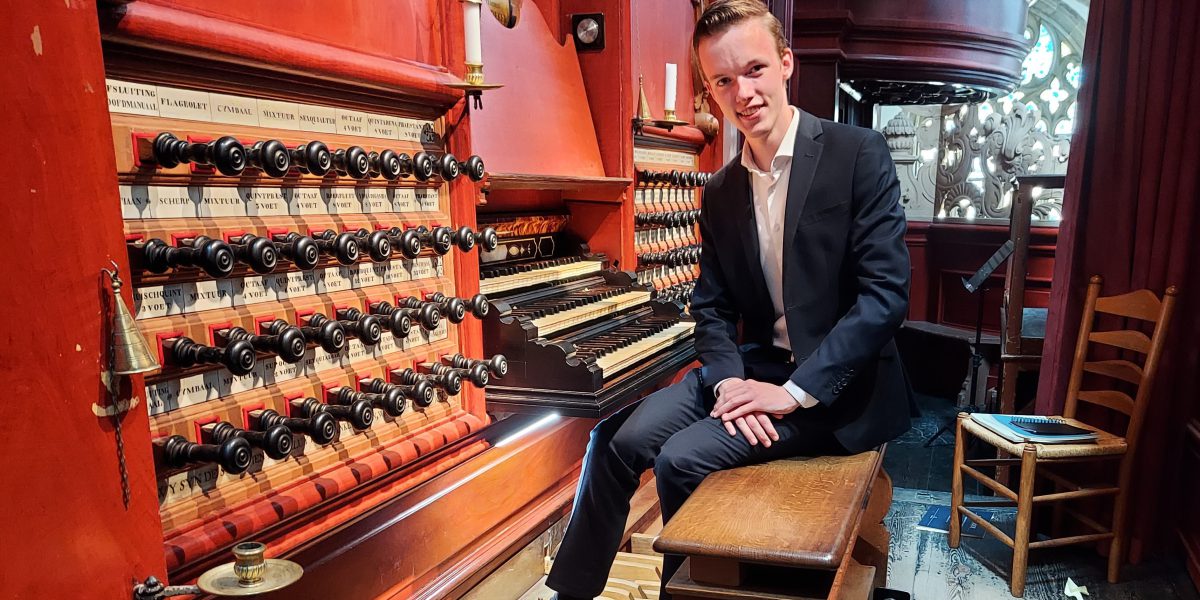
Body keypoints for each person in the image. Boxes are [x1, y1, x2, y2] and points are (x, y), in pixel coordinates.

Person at [546, 1, 911, 598]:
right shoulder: (720, 189)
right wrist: (727, 384)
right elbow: (712, 308)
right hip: (753, 371)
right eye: (722, 81)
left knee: (679, 459)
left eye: (754, 70)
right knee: (614, 442)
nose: (742, 93)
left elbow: (885, 297)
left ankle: (689, 593)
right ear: (710, 90)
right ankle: (572, 593)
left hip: (836, 389)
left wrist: (792, 394)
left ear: (785, 63)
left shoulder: (856, 153)